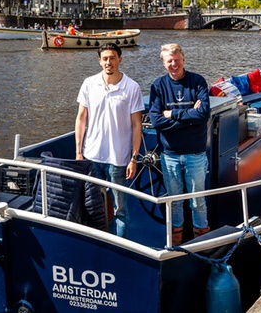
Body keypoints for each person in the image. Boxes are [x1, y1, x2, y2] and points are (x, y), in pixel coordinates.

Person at [75, 42, 144, 238]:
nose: (108, 62)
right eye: (105, 58)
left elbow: (136, 125)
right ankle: (98, 240)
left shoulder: (131, 87)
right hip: (92, 155)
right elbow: (81, 118)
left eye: (112, 58)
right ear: (99, 61)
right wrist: (79, 152)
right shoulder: (89, 84)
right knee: (92, 205)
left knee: (120, 208)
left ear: (120, 60)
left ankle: (120, 245)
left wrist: (134, 158)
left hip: (118, 158)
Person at [148, 43, 211, 245]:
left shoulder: (198, 81)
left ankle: (202, 242)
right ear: (164, 63)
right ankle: (176, 244)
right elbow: (157, 121)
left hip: (195, 154)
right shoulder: (158, 86)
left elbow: (203, 114)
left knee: (198, 202)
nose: (173, 64)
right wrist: (188, 117)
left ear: (183, 59)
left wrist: (172, 114)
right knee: (174, 202)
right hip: (170, 155)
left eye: (176, 59)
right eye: (169, 61)